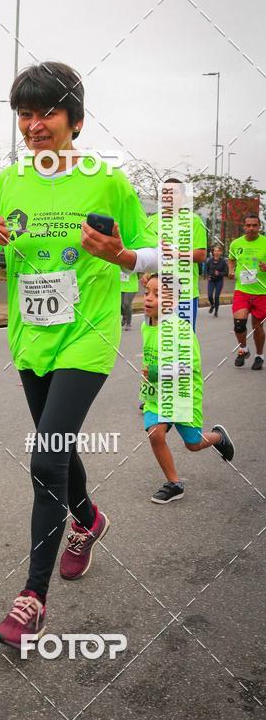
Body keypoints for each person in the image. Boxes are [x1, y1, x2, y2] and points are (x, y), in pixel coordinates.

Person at [0, 61, 158, 650]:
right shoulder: (5, 184)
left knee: (45, 457)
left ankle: (31, 601)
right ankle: (89, 520)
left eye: (46, 112)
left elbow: (156, 253)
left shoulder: (107, 182)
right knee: (60, 446)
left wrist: (122, 257)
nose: (33, 125)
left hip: (88, 335)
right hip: (31, 340)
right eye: (24, 114)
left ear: (74, 117)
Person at [140, 274, 234, 503]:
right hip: (157, 395)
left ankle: (218, 437)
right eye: (146, 293)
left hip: (183, 395)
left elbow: (186, 367)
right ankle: (174, 483)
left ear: (172, 303)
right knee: (155, 433)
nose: (149, 298)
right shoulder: (146, 324)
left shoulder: (180, 330)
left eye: (157, 294)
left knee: (193, 443)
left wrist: (155, 372)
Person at [145, 184, 207, 331]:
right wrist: (146, 273)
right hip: (157, 294)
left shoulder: (193, 220)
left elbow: (201, 255)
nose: (169, 196)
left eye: (174, 192)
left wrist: (176, 254)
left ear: (183, 197)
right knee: (155, 337)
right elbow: (148, 253)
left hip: (184, 294)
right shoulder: (151, 222)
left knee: (182, 340)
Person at [228, 213, 266, 370]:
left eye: (254, 225)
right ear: (244, 227)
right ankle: (243, 349)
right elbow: (231, 259)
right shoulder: (236, 244)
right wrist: (231, 269)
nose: (251, 228)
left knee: (257, 326)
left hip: (261, 292)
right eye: (248, 225)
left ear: (259, 227)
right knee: (239, 324)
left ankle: (259, 355)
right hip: (242, 290)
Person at [205, 245, 227, 316]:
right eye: (215, 251)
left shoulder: (223, 262)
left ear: (220, 252)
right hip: (211, 280)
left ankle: (216, 312)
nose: (216, 252)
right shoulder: (209, 261)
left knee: (216, 297)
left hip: (219, 281)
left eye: (218, 251)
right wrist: (208, 276)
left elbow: (226, 272)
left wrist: (219, 273)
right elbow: (206, 270)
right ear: (213, 252)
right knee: (210, 296)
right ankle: (212, 305)